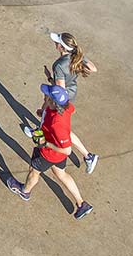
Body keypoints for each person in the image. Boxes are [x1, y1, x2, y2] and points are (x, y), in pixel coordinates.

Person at [7, 84, 94, 219]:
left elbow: (67, 150)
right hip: (57, 155)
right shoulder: (65, 107)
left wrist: (46, 143)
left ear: (53, 102)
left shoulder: (56, 124)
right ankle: (81, 203)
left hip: (48, 153)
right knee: (61, 174)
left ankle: (24, 191)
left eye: (47, 95)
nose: (44, 95)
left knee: (34, 171)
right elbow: (72, 110)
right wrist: (44, 114)